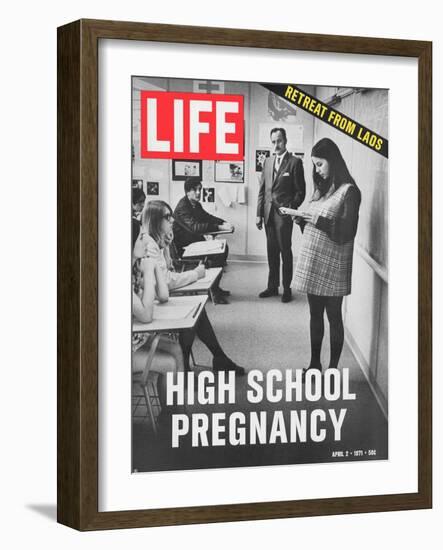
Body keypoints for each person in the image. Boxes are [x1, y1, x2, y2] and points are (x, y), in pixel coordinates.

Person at [282, 137, 361, 375]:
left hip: (334, 266)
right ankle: (315, 365)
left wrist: (315, 219)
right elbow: (314, 228)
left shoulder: (350, 192)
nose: (317, 170)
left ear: (333, 161)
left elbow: (346, 231)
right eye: (314, 165)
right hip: (315, 262)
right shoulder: (321, 190)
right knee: (315, 315)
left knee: (334, 317)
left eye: (320, 164)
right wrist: (301, 220)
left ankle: (333, 370)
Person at [138, 199, 245, 375]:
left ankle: (200, 362)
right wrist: (195, 274)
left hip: (157, 297)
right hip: (149, 304)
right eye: (167, 217)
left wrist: (165, 244)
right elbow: (166, 282)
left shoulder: (157, 239)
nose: (172, 220)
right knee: (194, 310)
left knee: (197, 310)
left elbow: (168, 272)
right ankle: (201, 362)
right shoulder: (149, 244)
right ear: (156, 220)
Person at [132, 225, 184, 415]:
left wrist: (153, 264)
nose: (145, 241)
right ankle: (171, 418)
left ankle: (178, 411)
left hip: (136, 340)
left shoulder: (135, 266)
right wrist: (148, 273)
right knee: (169, 363)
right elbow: (146, 316)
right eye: (140, 237)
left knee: (176, 349)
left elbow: (163, 295)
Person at [256, 128, 306, 303]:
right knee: (271, 253)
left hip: (284, 217)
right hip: (268, 215)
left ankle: (287, 288)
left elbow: (301, 192)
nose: (276, 145)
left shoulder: (295, 162)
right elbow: (262, 190)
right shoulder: (268, 162)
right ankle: (272, 287)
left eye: (279, 141)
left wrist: (290, 208)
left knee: (285, 253)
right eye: (273, 141)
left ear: (285, 141)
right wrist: (258, 214)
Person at [173, 177, 233, 304]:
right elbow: (195, 228)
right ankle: (214, 292)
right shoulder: (183, 207)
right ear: (187, 192)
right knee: (218, 254)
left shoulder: (195, 204)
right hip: (184, 248)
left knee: (223, 248)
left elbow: (208, 217)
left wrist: (223, 222)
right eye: (195, 190)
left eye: (200, 189)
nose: (199, 192)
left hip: (193, 243)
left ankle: (214, 286)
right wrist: (219, 227)